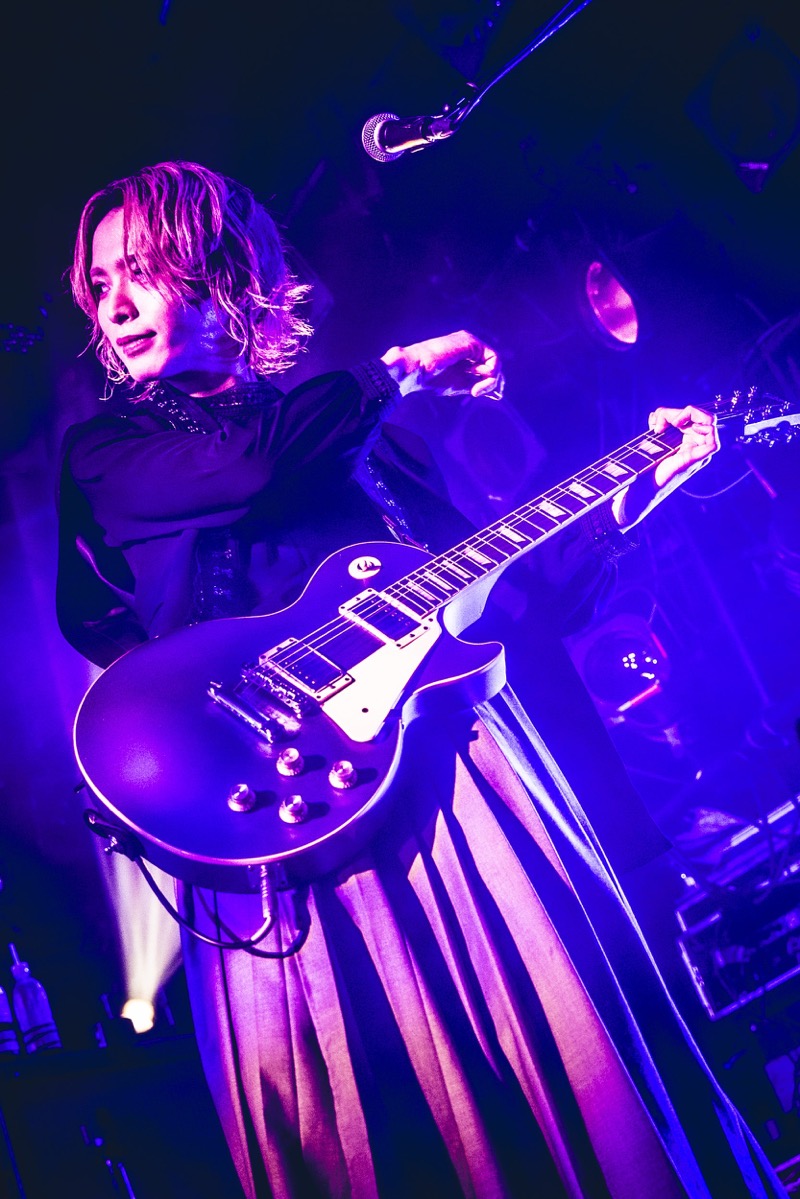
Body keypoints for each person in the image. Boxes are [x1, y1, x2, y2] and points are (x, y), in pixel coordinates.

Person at [57, 161, 786, 1198]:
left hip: (456, 780)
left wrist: (628, 496)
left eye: (143, 270)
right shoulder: (112, 451)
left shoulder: (376, 449)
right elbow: (248, 470)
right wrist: (396, 370)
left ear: (222, 273)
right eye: (101, 284)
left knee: (582, 1068)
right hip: (281, 833)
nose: (117, 304)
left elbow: (509, 604)